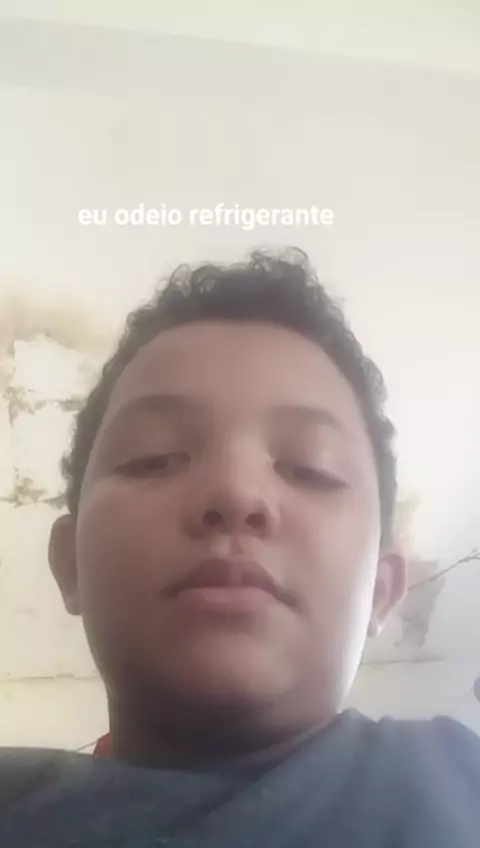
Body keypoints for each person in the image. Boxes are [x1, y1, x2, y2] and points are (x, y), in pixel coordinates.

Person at [0, 249, 478, 847]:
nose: (234, 492)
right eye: (154, 458)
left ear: (382, 587)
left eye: (310, 468)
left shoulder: (456, 781)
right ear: (70, 562)